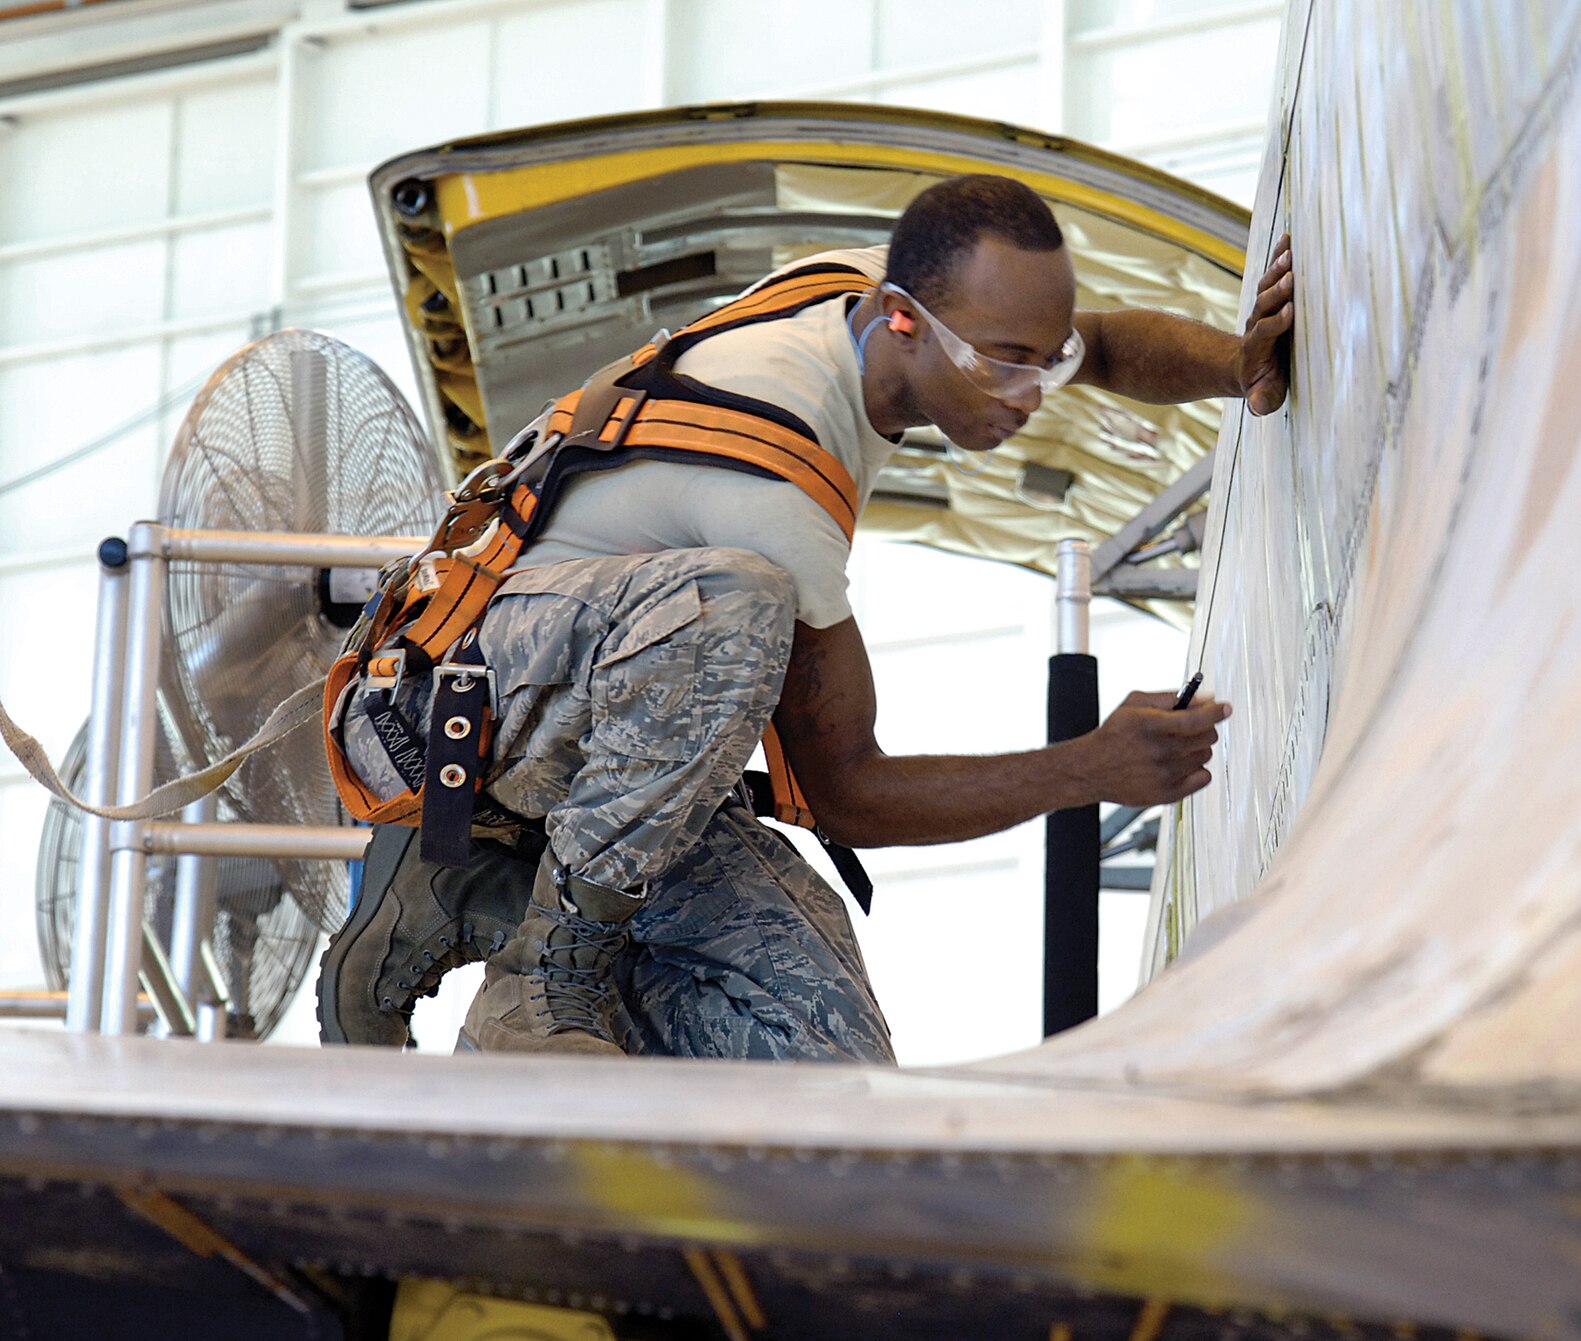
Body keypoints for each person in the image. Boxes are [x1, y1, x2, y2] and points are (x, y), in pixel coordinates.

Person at [321, 174, 1295, 1059]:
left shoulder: (887, 298)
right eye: (1003, 366)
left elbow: (1111, 343)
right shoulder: (771, 474)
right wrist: (1088, 769)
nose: (1028, 396)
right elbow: (848, 794)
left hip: (617, 790)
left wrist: (1242, 362)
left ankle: (536, 928)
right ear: (901, 321)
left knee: (825, 1066)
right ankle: (534, 973)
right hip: (442, 724)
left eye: (1042, 363)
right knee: (732, 604)